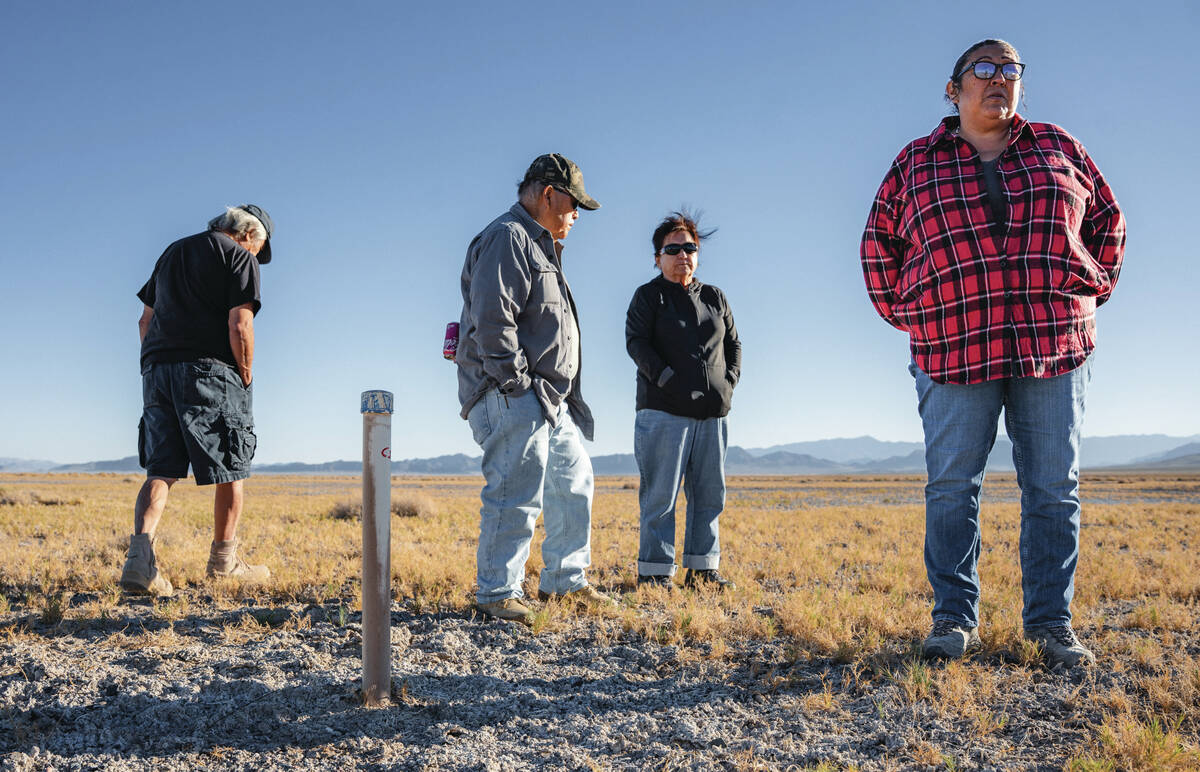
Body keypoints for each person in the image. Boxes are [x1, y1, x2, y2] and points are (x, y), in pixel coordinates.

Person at [861, 40, 1125, 667]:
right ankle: (953, 620)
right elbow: (878, 247)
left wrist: (1088, 290)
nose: (999, 79)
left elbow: (1109, 224)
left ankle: (1049, 625)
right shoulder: (915, 163)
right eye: (983, 69)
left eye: (1011, 70)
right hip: (952, 350)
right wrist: (920, 317)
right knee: (952, 488)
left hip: (1052, 346)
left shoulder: (1059, 148)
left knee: (1054, 489)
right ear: (953, 92)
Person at [457, 153, 612, 624]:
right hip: (515, 394)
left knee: (573, 483)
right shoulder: (509, 237)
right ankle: (497, 593)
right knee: (515, 492)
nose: (576, 215)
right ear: (548, 194)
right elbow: (493, 318)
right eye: (573, 204)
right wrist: (516, 384)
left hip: (547, 399)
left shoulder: (539, 245)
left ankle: (565, 582)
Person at [120, 205, 276, 596]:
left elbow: (145, 321)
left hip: (156, 370)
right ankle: (224, 564)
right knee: (232, 465)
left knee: (161, 468)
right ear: (247, 235)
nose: (257, 256)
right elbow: (240, 323)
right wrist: (245, 372)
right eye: (260, 248)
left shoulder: (172, 252)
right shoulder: (238, 256)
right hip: (210, 371)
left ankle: (139, 561)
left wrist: (158, 360)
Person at [626, 211, 741, 590]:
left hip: (712, 414)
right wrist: (667, 380)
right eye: (672, 248)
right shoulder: (648, 296)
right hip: (664, 412)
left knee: (709, 494)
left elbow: (734, 343)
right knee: (660, 496)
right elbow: (636, 344)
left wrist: (729, 382)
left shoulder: (714, 296)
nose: (683, 255)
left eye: (689, 247)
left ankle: (703, 569)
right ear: (657, 257)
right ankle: (655, 572)